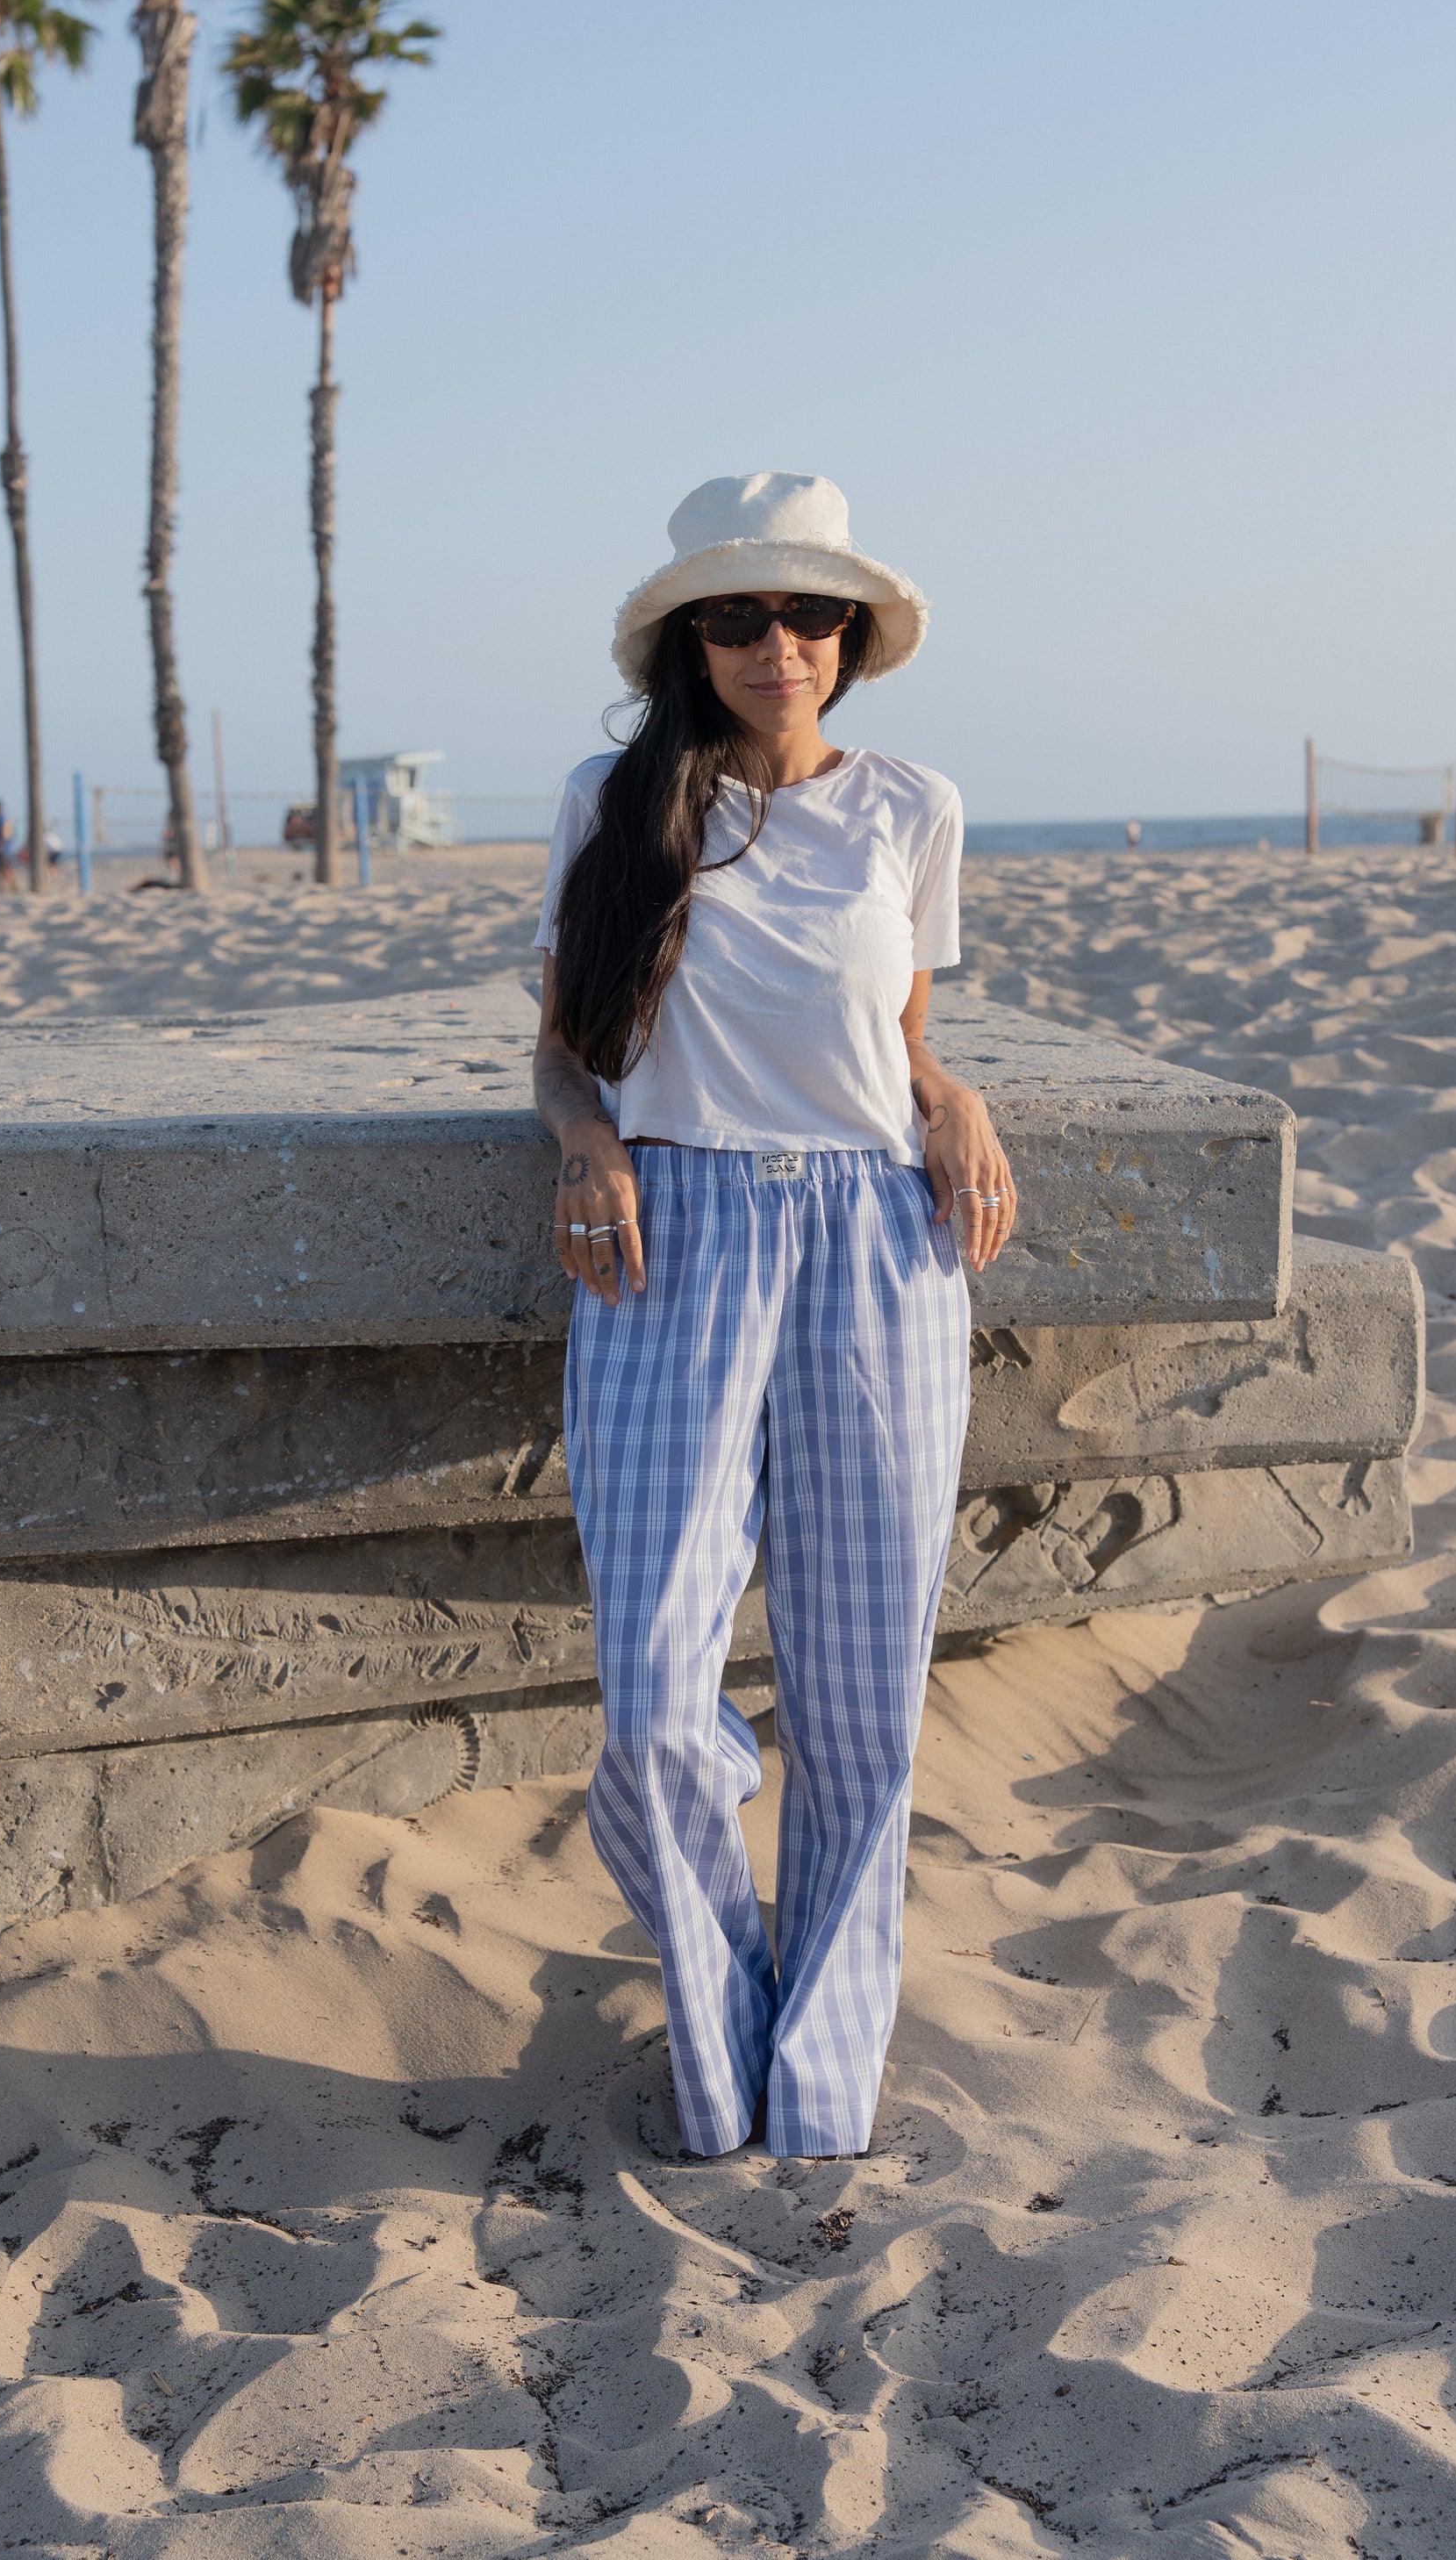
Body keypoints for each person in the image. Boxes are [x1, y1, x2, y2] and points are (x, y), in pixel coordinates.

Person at [531, 472, 1016, 2162]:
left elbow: (894, 1025)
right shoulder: (616, 798)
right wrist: (587, 1136)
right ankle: (723, 1998)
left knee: (866, 1695)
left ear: (852, 639)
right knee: (657, 1689)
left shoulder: (911, 805)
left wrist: (949, 1094)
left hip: (879, 1241)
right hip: (674, 1245)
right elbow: (562, 1039)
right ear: (689, 638)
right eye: (736, 615)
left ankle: (814, 2076)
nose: (775, 643)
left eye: (807, 614)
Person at [0, 800, 15, 894]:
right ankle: (11, 887)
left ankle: (6, 888)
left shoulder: (2, 818)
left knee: (3, 869)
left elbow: (2, 832)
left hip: (3, 848)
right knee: (6, 868)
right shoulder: (5, 817)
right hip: (6, 848)